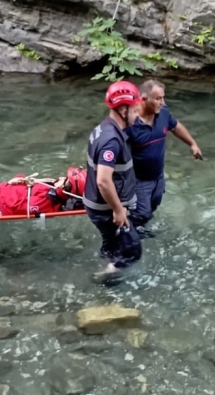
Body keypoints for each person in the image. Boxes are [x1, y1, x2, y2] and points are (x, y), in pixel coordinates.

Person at [124, 79, 203, 237]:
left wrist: (192, 144)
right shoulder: (130, 123)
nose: (162, 102)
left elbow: (175, 126)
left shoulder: (163, 112)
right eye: (158, 98)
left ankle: (138, 228)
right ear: (144, 99)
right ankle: (126, 234)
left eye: (163, 98)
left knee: (153, 206)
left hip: (158, 176)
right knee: (142, 213)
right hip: (138, 179)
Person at [83, 81, 143, 282]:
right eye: (134, 110)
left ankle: (106, 262)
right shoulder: (111, 140)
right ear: (122, 109)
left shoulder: (104, 128)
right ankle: (105, 280)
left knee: (111, 243)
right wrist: (117, 209)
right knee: (131, 251)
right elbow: (103, 181)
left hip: (97, 205)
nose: (137, 115)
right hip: (105, 208)